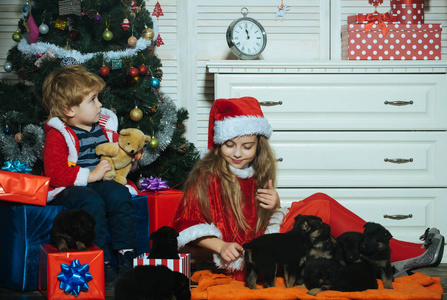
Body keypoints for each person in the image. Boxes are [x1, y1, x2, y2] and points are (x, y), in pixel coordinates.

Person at [172, 96, 445, 280]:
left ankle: (395, 252)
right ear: (219, 143)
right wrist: (220, 246)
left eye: (247, 146)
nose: (238, 153)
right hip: (258, 250)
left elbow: (260, 216)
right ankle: (402, 254)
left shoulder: (256, 170)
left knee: (320, 201)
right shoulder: (207, 176)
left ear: (258, 145)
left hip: (269, 232)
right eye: (230, 145)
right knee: (321, 207)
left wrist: (275, 204)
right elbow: (189, 224)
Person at [42, 65, 138, 288]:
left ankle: (126, 255)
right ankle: (101, 259)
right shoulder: (58, 134)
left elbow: (118, 151)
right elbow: (54, 173)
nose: (100, 105)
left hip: (100, 182)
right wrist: (91, 175)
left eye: (98, 98)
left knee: (118, 194)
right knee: (91, 202)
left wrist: (130, 156)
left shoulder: (102, 127)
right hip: (71, 186)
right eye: (93, 100)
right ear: (69, 110)